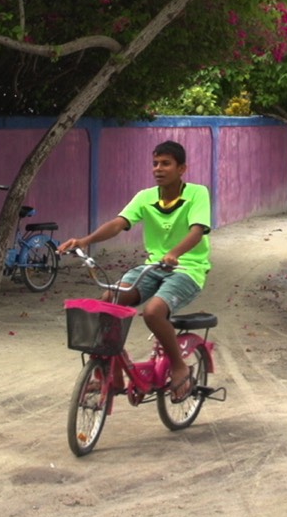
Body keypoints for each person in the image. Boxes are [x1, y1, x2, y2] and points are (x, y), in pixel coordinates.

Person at [58, 140, 211, 403]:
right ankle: (114, 371)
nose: (158, 169)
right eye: (155, 163)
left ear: (182, 168)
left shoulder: (197, 193)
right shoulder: (145, 197)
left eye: (166, 163)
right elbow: (119, 224)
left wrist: (175, 253)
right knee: (108, 300)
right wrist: (86, 241)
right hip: (152, 267)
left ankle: (178, 366)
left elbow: (197, 231)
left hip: (187, 269)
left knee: (153, 312)